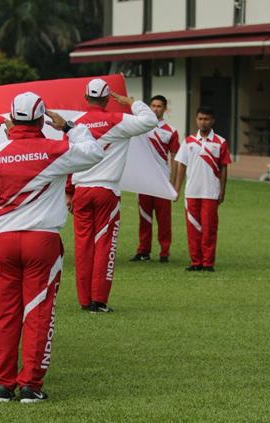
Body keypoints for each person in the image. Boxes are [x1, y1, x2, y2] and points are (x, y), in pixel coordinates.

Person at [0, 91, 105, 403]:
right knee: (38, 312)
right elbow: (94, 152)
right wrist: (70, 126)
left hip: (3, 240)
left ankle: (3, 384)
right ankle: (30, 384)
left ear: (12, 118)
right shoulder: (56, 149)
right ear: (43, 118)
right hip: (42, 240)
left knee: (3, 313)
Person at [70, 78, 157, 312]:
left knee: (82, 246)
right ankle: (99, 300)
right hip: (107, 191)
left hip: (81, 190)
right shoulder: (119, 120)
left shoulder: (75, 125)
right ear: (108, 98)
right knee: (104, 245)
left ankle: (84, 300)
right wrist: (132, 102)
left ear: (86, 97)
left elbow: (65, 160)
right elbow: (151, 120)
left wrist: (69, 192)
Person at [173, 106, 231, 272]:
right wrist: (177, 189)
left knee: (209, 229)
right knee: (192, 228)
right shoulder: (189, 141)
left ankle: (207, 263)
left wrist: (222, 191)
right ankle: (195, 262)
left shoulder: (220, 142)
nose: (203, 122)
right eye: (200, 118)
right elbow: (181, 166)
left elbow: (224, 168)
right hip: (191, 192)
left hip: (210, 192)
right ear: (196, 120)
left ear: (212, 121)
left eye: (206, 119)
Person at [130, 95, 180, 263]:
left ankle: (164, 252)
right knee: (144, 217)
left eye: (159, 106)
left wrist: (173, 184)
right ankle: (143, 251)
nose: (156, 109)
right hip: (144, 180)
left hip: (162, 180)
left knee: (164, 219)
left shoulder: (171, 131)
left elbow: (174, 157)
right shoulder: (141, 126)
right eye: (153, 105)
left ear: (165, 109)